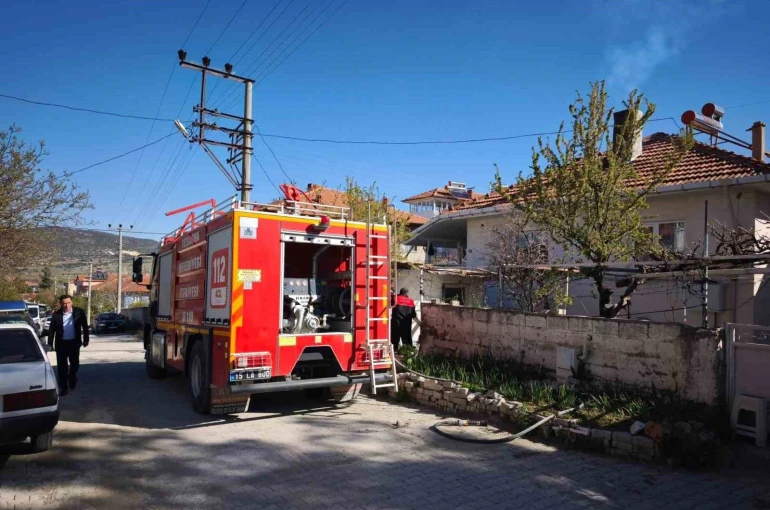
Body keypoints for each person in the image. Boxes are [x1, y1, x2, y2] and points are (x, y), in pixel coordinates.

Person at [48, 295, 89, 396]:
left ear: (72, 302)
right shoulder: (56, 315)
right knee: (62, 367)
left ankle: (72, 376)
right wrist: (50, 344)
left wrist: (86, 339)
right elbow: (52, 330)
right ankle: (64, 388)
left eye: (68, 303)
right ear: (61, 304)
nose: (66, 305)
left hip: (74, 343)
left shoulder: (78, 312)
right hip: (61, 344)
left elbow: (85, 326)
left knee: (75, 364)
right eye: (64, 303)